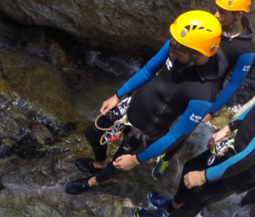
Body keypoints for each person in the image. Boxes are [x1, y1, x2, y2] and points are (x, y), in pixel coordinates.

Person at [65, 10, 226, 195]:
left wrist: (136, 160)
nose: (171, 52)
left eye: (178, 52)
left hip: (147, 129)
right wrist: (118, 95)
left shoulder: (204, 94)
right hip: (133, 104)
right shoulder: (178, 45)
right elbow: (149, 70)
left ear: (197, 54)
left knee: (118, 164)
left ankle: (92, 182)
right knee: (92, 133)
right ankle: (98, 163)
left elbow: (174, 136)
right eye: (172, 46)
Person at [151, 0, 254, 180]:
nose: (216, 15)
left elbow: (233, 83)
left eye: (222, 12)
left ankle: (165, 158)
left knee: (183, 131)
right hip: (183, 78)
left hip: (205, 92)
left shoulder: (245, 50)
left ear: (239, 15)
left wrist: (211, 110)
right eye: (217, 9)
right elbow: (182, 45)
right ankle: (151, 142)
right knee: (163, 113)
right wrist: (165, 70)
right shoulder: (211, 26)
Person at [134, 95, 255, 217]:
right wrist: (228, 128)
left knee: (198, 199)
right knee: (191, 167)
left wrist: (204, 176)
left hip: (246, 170)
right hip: (236, 145)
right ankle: (172, 206)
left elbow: (248, 158)